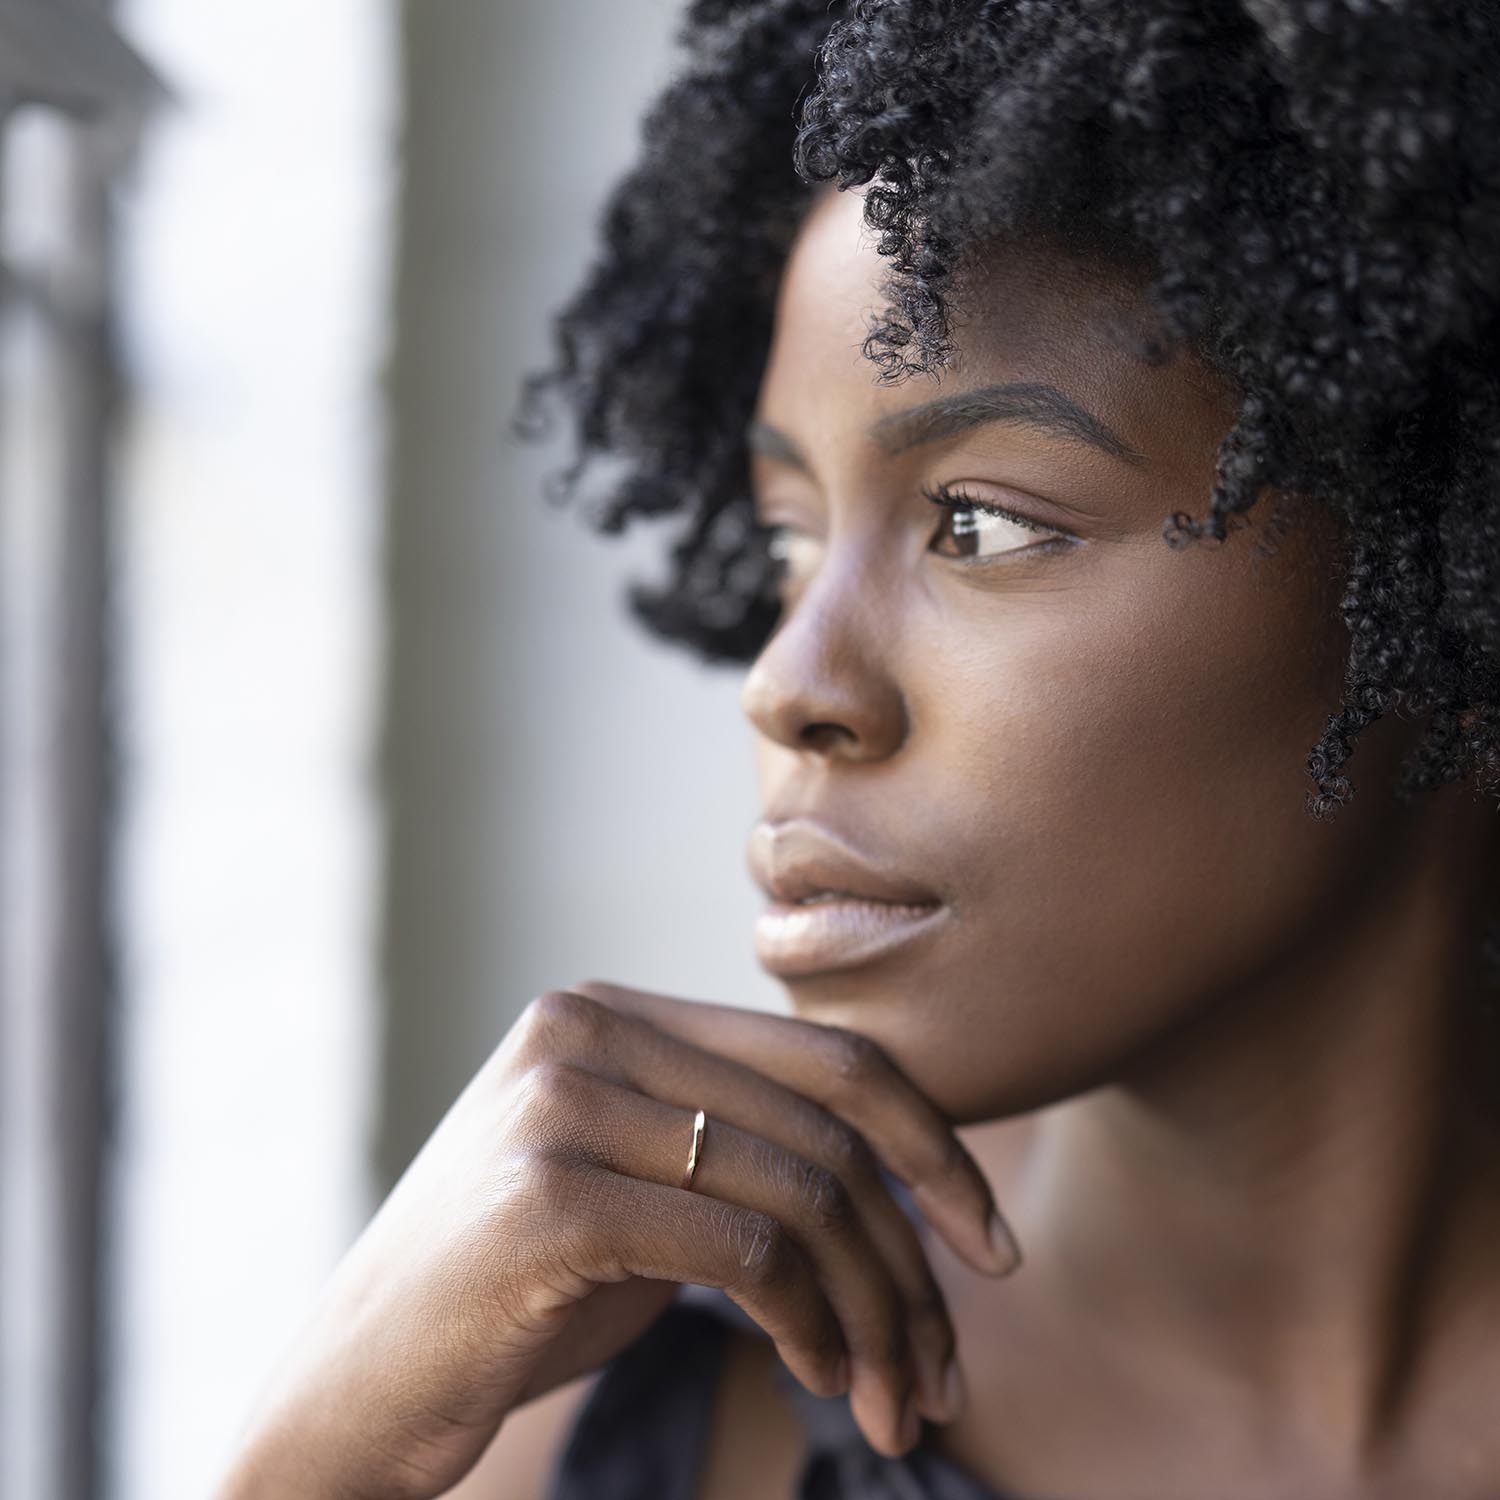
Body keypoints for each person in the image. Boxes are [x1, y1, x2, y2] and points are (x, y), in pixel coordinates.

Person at [217, 2, 1500, 1497]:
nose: (793, 683)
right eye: (788, 538)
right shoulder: (629, 1429)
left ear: (1443, 561)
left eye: (981, 522)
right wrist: (304, 1470)